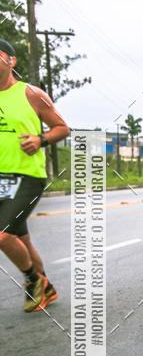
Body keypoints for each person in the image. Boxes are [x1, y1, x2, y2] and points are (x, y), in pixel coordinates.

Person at [0, 39, 69, 312]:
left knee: (3, 237)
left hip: (28, 176)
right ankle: (46, 289)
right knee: (21, 239)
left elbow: (62, 128)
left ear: (11, 60)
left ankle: (32, 281)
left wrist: (40, 140)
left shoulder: (31, 94)